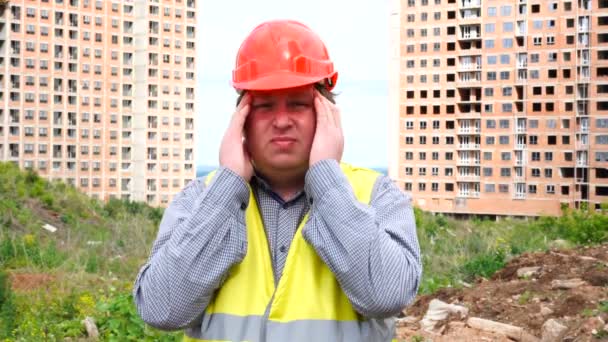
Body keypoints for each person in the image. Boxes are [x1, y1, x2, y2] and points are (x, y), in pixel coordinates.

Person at [133, 19, 421, 342]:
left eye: (298, 103)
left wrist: (326, 177)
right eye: (265, 106)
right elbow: (160, 308)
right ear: (242, 119)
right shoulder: (201, 199)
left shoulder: (377, 195)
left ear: (326, 113)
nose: (282, 121)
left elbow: (388, 294)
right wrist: (229, 186)